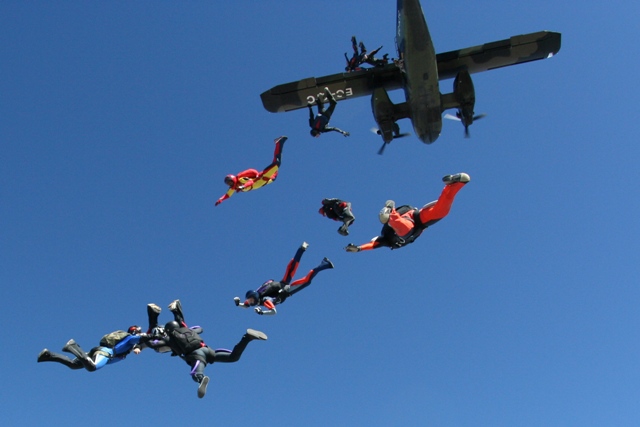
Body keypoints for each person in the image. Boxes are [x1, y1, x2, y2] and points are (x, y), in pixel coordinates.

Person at [160, 300, 267, 398]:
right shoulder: (188, 330)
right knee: (233, 357)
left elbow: (157, 343)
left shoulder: (170, 338)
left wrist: (156, 337)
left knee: (195, 373)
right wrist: (177, 313)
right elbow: (199, 328)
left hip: (197, 355)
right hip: (207, 350)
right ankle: (247, 338)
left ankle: (201, 379)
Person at [345, 173, 470, 252]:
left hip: (409, 220)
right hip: (420, 219)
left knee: (404, 228)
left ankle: (391, 213)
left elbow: (373, 244)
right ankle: (456, 184)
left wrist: (360, 248)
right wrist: (358, 249)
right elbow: (374, 244)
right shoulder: (392, 240)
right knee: (441, 211)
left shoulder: (387, 239)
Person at [235, 242, 334, 315]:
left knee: (305, 280)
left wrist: (262, 312)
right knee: (292, 268)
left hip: (285, 290)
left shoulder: (264, 300)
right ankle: (304, 250)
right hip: (282, 285)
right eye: (250, 301)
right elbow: (246, 305)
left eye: (251, 300)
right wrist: (238, 303)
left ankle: (323, 264)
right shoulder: (257, 295)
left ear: (254, 297)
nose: (251, 302)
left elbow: (273, 311)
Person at [37, 325, 153, 372]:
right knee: (92, 367)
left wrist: (139, 347)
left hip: (99, 351)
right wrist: (154, 335)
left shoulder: (130, 343)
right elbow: (143, 338)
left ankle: (48, 355)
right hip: (105, 353)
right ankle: (72, 346)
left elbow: (141, 343)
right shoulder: (130, 339)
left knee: (74, 365)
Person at [215, 136, 287, 206]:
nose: (230, 184)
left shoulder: (240, 179)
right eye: (228, 184)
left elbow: (251, 181)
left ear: (233, 179)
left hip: (263, 177)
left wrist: (243, 186)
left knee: (276, 164)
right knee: (276, 165)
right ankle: (279, 143)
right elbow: (228, 194)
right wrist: (221, 199)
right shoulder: (234, 187)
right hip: (266, 179)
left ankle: (278, 143)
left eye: (230, 182)